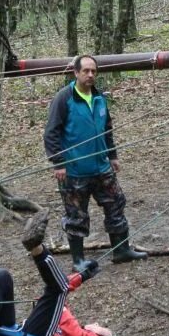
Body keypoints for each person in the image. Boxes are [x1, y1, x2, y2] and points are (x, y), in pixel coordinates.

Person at [44, 54, 147, 272]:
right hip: (74, 170)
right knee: (76, 215)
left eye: (93, 71)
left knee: (116, 203)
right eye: (86, 71)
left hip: (101, 167)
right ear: (76, 72)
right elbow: (51, 133)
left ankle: (121, 250)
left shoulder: (100, 97)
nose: (90, 75)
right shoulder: (64, 98)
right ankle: (78, 261)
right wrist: (58, 163)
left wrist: (112, 155)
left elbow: (106, 128)